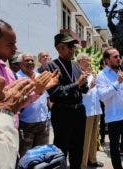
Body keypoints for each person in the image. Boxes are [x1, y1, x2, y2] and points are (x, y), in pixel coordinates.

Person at [0, 18, 57, 122]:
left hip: (10, 132)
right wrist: (34, 88)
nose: (15, 48)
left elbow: (18, 102)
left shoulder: (4, 67)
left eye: (14, 43)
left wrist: (39, 89)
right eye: (10, 44)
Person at [45, 32, 89, 169]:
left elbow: (84, 90)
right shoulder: (51, 67)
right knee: (61, 150)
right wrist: (77, 84)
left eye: (73, 46)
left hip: (78, 112)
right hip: (62, 113)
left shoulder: (75, 65)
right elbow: (55, 93)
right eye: (69, 46)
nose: (73, 49)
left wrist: (84, 84)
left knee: (78, 150)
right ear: (59, 48)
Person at [96, 47, 123, 169]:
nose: (118, 59)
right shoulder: (101, 75)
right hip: (114, 117)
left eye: (119, 56)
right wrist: (117, 82)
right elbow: (102, 96)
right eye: (115, 57)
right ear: (107, 60)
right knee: (115, 148)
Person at [16, 53, 52, 157]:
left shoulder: (39, 76)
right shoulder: (17, 78)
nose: (30, 62)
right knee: (26, 156)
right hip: (26, 124)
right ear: (20, 64)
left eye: (32, 60)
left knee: (42, 155)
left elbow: (47, 96)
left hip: (43, 122)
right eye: (27, 60)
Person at [76, 53, 104, 169]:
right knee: (85, 139)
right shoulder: (77, 75)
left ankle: (92, 160)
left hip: (96, 110)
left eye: (89, 59)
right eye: (86, 59)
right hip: (85, 111)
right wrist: (90, 87)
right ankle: (83, 164)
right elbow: (78, 92)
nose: (88, 61)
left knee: (94, 137)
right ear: (79, 61)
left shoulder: (93, 74)